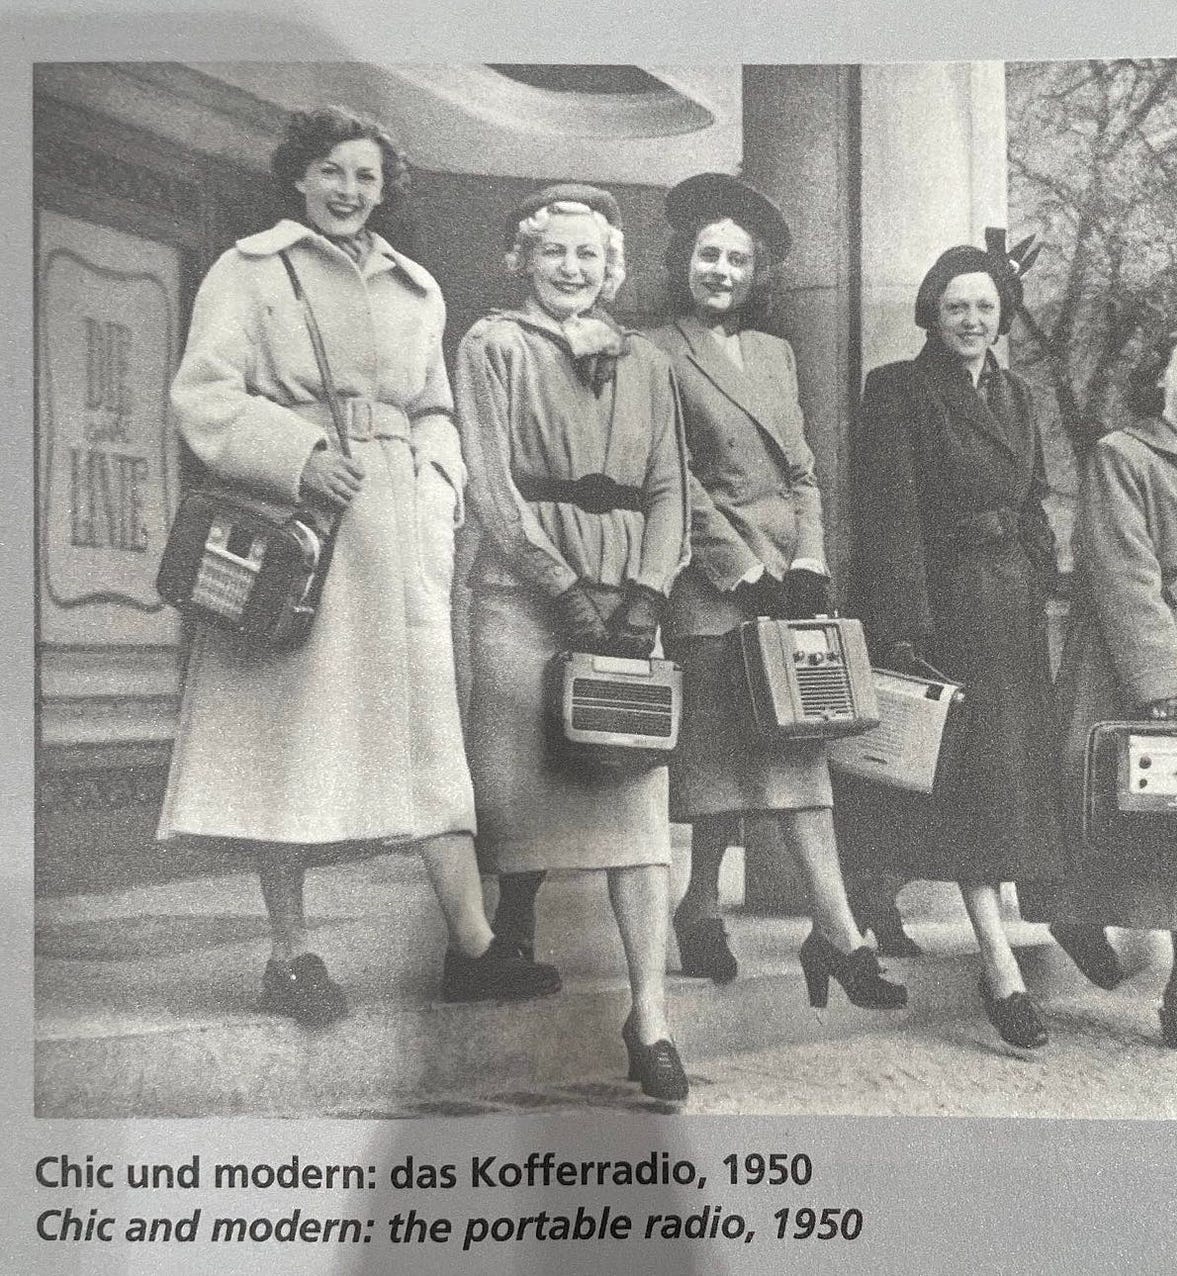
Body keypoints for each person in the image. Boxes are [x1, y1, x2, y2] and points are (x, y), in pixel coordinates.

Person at [158, 106, 560, 1026]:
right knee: (290, 735)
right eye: (332, 172)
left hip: (397, 529)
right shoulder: (250, 269)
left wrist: (437, 482)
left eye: (366, 177)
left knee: (429, 734)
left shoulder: (417, 289)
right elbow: (205, 395)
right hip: (300, 529)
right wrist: (296, 454)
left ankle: (474, 947)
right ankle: (290, 954)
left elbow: (434, 406)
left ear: (385, 190)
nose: (348, 191)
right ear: (300, 177)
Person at [642, 172, 904, 1010]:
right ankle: (806, 928)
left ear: (759, 274)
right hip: (713, 585)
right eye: (709, 255)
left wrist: (808, 564)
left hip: (787, 592)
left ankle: (786, 923)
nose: (721, 270)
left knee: (793, 749)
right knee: (730, 765)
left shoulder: (775, 355)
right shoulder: (654, 350)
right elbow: (672, 478)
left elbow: (803, 472)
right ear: (686, 260)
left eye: (738, 259)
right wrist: (744, 570)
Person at [455, 184, 693, 1102]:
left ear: (612, 267)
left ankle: (651, 1017)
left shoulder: (648, 363)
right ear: (525, 259)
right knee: (515, 793)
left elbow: (670, 485)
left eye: (589, 256)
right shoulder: (493, 345)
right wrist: (558, 585)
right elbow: (490, 483)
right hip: (523, 600)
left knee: (637, 819)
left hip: (626, 608)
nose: (572, 269)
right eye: (555, 252)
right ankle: (500, 934)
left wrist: (647, 591)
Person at [1019, 323, 1177, 1054]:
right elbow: (1121, 571)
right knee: (1134, 808)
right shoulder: (1122, 454)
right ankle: (1077, 916)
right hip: (1136, 658)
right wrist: (1159, 680)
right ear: (1158, 379)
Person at [839, 237, 1065, 1049]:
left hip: (1012, 608)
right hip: (946, 609)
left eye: (986, 308)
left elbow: (1036, 495)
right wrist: (903, 628)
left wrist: (1040, 564)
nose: (972, 320)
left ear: (1003, 318)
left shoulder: (1019, 396)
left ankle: (865, 903)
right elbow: (888, 514)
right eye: (957, 306)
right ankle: (997, 962)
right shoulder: (899, 389)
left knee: (1002, 779)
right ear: (933, 312)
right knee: (967, 784)